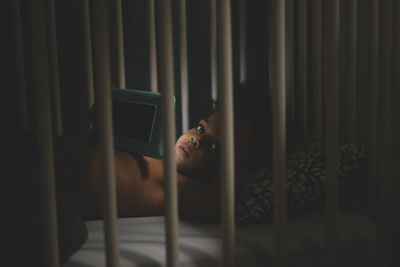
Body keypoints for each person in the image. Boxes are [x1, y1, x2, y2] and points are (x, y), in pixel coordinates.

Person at [80, 84, 272, 222]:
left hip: (71, 186)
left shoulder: (182, 186)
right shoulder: (152, 153)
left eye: (214, 147)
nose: (197, 140)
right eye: (200, 129)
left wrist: (241, 147)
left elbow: (215, 205)